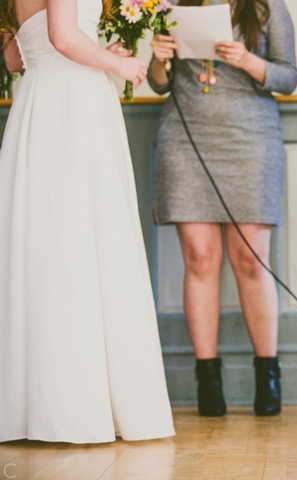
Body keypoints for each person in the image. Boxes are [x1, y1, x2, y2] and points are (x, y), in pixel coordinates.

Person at [0, 0, 175, 443]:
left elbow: (15, 56)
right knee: (81, 242)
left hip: (37, 101)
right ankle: (77, 405)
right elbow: (63, 36)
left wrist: (99, 51)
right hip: (72, 108)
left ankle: (32, 405)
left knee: (45, 247)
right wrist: (125, 65)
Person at [147, 0, 297, 417]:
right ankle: (207, 379)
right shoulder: (171, 7)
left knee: (251, 261)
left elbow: (289, 77)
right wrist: (158, 59)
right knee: (200, 259)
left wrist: (248, 60)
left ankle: (268, 374)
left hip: (250, 141)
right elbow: (158, 83)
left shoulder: (268, 8)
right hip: (185, 139)